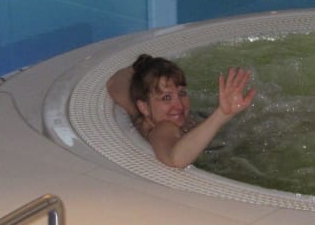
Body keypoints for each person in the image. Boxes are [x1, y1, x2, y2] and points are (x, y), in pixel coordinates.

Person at [106, 53, 255, 168]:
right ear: (144, 107)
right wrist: (221, 115)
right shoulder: (163, 128)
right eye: (166, 98)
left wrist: (145, 65)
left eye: (182, 93)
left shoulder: (139, 112)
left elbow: (115, 82)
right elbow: (176, 159)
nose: (179, 105)